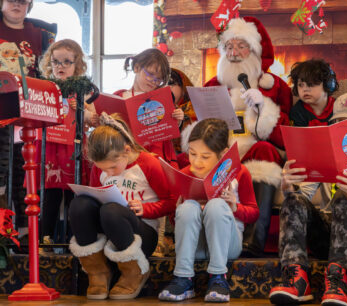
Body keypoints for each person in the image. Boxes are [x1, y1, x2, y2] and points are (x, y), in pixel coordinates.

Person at [269, 92, 347, 306]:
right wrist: (288, 187)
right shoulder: (327, 155)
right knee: (293, 200)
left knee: (346, 196)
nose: (346, 130)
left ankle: (338, 282)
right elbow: (301, 201)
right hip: (328, 237)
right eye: (339, 123)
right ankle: (298, 280)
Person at [205, 16, 292, 256]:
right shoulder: (211, 86)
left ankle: (253, 242)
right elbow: (198, 131)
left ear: (255, 50)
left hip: (255, 150)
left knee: (265, 150)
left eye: (240, 46)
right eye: (228, 46)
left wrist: (264, 107)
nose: (233, 53)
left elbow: (285, 139)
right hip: (221, 152)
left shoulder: (273, 86)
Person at [68, 112, 176, 300]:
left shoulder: (148, 163)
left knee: (111, 211)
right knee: (79, 204)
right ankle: (98, 272)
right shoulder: (99, 169)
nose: (108, 173)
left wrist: (146, 208)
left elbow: (172, 201)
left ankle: (134, 272)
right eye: (103, 169)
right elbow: (93, 200)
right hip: (109, 229)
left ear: (126, 150)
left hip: (142, 233)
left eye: (112, 167)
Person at [158, 118, 259, 302]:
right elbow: (176, 221)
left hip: (227, 246)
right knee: (188, 208)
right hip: (194, 246)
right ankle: (182, 278)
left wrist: (234, 207)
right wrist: (178, 211)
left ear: (223, 154)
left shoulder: (239, 172)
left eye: (205, 156)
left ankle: (218, 278)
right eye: (192, 153)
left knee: (216, 205)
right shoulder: (186, 174)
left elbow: (254, 213)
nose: (197, 162)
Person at [0, 0, 56, 240]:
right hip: (1, 111)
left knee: (23, 177)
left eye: (24, 1)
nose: (18, 4)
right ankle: (3, 233)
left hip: (29, 112)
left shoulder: (41, 34)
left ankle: (24, 238)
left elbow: (49, 72)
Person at [38, 39, 98, 249]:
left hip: (73, 148)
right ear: (49, 64)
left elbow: (94, 119)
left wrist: (81, 107)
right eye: (55, 62)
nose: (60, 67)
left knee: (73, 193)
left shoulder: (82, 90)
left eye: (66, 62)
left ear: (77, 65)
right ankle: (45, 238)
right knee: (51, 193)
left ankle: (77, 239)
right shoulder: (45, 87)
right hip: (51, 147)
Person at [114, 48, 184, 169]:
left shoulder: (162, 100)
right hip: (124, 159)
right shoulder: (119, 97)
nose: (153, 82)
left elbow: (168, 130)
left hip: (155, 159)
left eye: (159, 79)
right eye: (150, 74)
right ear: (136, 68)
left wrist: (177, 119)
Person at [289, 59, 339, 127]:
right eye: (300, 85)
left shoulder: (340, 107)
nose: (305, 89)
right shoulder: (297, 112)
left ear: (328, 84)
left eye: (311, 84)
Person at [169, 68, 196, 169]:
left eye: (171, 83)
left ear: (183, 86)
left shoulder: (196, 107)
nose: (166, 88)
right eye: (162, 85)